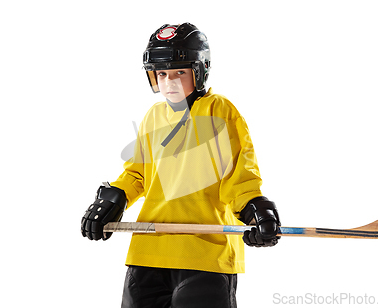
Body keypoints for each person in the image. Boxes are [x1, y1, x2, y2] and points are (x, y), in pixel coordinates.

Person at [81, 23, 281, 308]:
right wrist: (115, 198)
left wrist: (254, 209)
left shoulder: (218, 110)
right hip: (148, 253)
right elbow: (138, 172)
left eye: (179, 73)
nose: (169, 82)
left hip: (205, 255)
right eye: (161, 73)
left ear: (200, 71)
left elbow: (239, 173)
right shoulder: (153, 116)